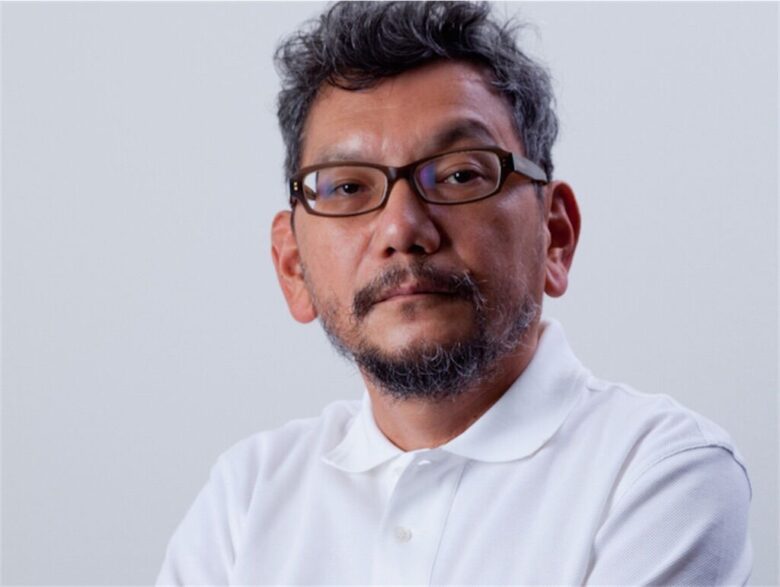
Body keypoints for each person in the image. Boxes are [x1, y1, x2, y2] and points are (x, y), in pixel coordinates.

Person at [157, 2, 752, 584]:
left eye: (461, 174)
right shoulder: (247, 497)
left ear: (555, 236)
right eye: (347, 187)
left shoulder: (658, 471)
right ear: (292, 267)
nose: (402, 230)